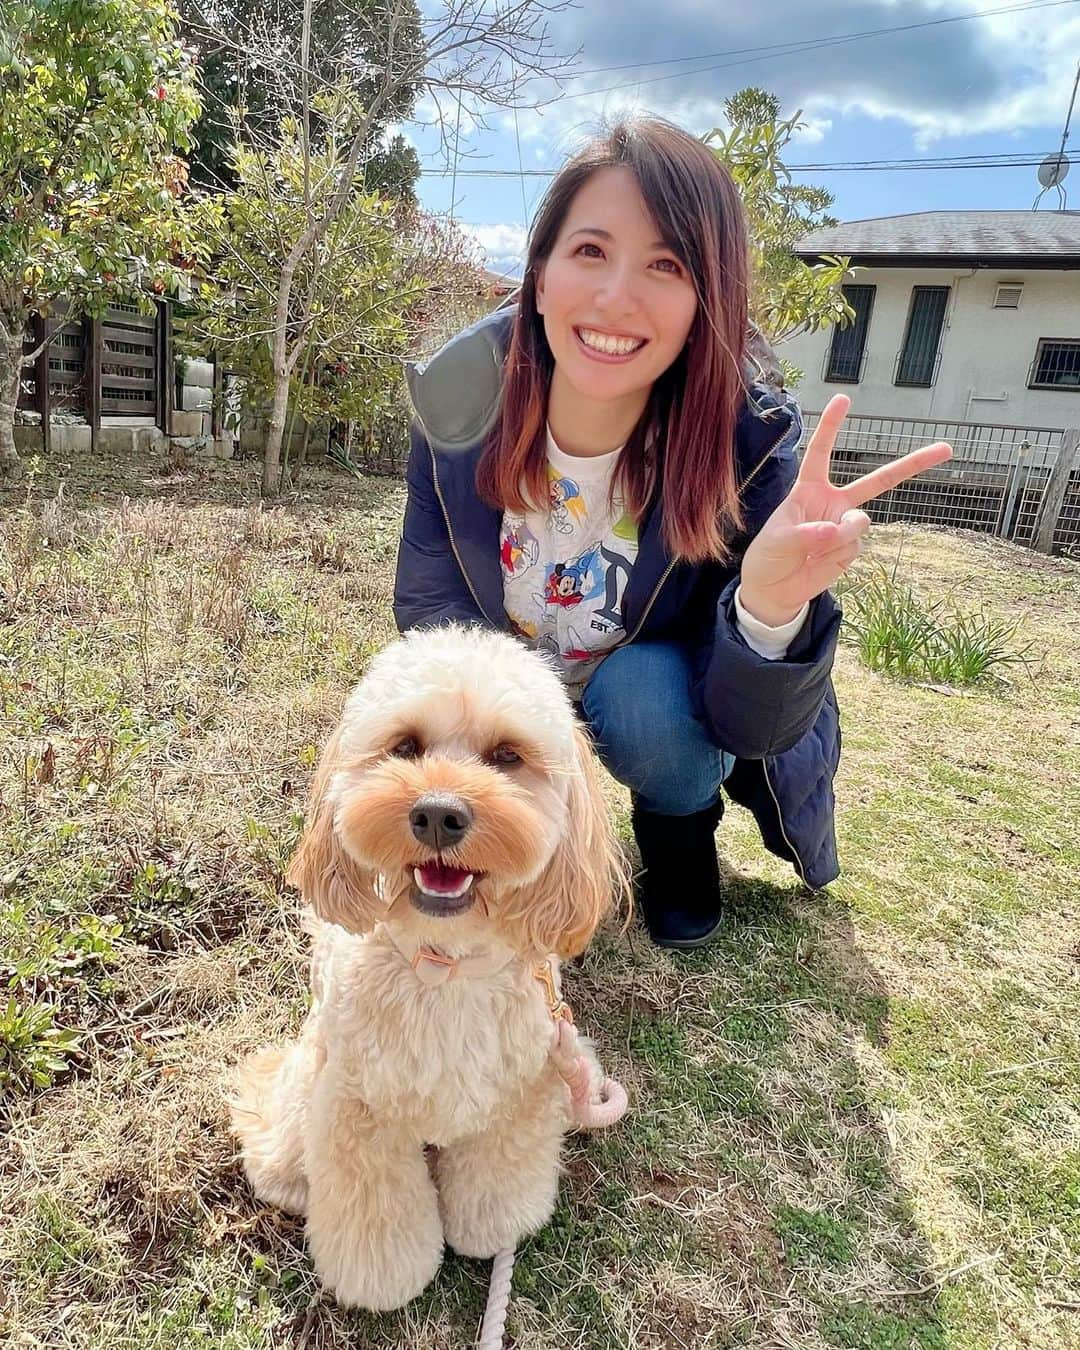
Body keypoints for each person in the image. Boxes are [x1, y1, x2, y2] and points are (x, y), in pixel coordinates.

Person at [392, 117, 950, 949]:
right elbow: (431, 612)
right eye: (589, 251)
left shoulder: (748, 448)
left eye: (666, 264)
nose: (617, 296)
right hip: (514, 692)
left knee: (644, 695)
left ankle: (679, 842)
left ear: (704, 301)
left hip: (649, 698)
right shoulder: (460, 406)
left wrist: (766, 610)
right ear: (539, 276)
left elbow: (756, 730)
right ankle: (516, 835)